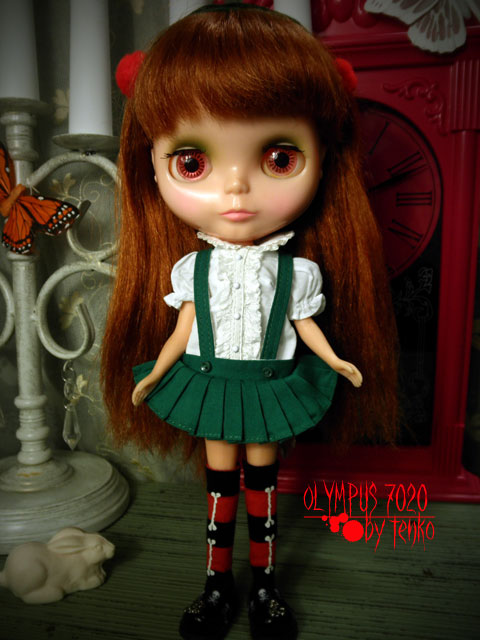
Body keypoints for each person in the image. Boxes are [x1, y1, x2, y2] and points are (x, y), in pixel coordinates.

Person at [101, 4, 398, 639]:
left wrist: (336, 360)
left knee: (263, 487)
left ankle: (265, 585)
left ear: (324, 160)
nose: (236, 189)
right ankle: (216, 584)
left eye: (280, 159)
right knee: (219, 492)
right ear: (150, 164)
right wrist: (154, 374)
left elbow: (306, 326)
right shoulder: (192, 270)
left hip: (268, 387)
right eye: (192, 162)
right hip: (210, 383)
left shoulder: (298, 272)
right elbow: (182, 331)